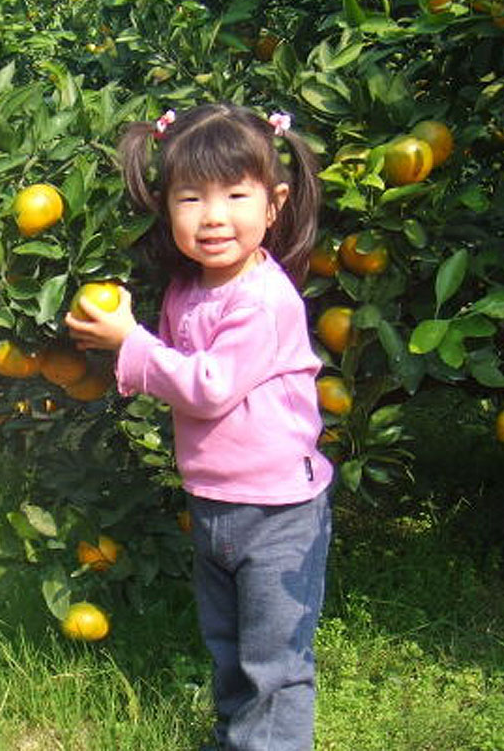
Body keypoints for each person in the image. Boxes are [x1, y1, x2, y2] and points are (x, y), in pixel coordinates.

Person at [65, 103, 334, 751]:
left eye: (235, 195)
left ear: (274, 204)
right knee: (230, 645)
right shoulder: (189, 288)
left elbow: (208, 387)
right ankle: (238, 738)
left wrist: (128, 341)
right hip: (215, 503)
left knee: (275, 664)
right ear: (167, 208)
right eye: (192, 198)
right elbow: (176, 362)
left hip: (278, 514)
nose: (214, 216)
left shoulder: (264, 299)